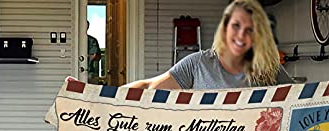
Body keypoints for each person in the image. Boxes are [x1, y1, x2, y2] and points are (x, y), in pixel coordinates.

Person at [125, 0, 293, 90]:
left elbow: (301, 99)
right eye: (236, 25)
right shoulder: (197, 64)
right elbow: (149, 86)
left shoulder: (269, 68)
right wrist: (106, 98)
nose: (241, 35)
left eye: (250, 29)